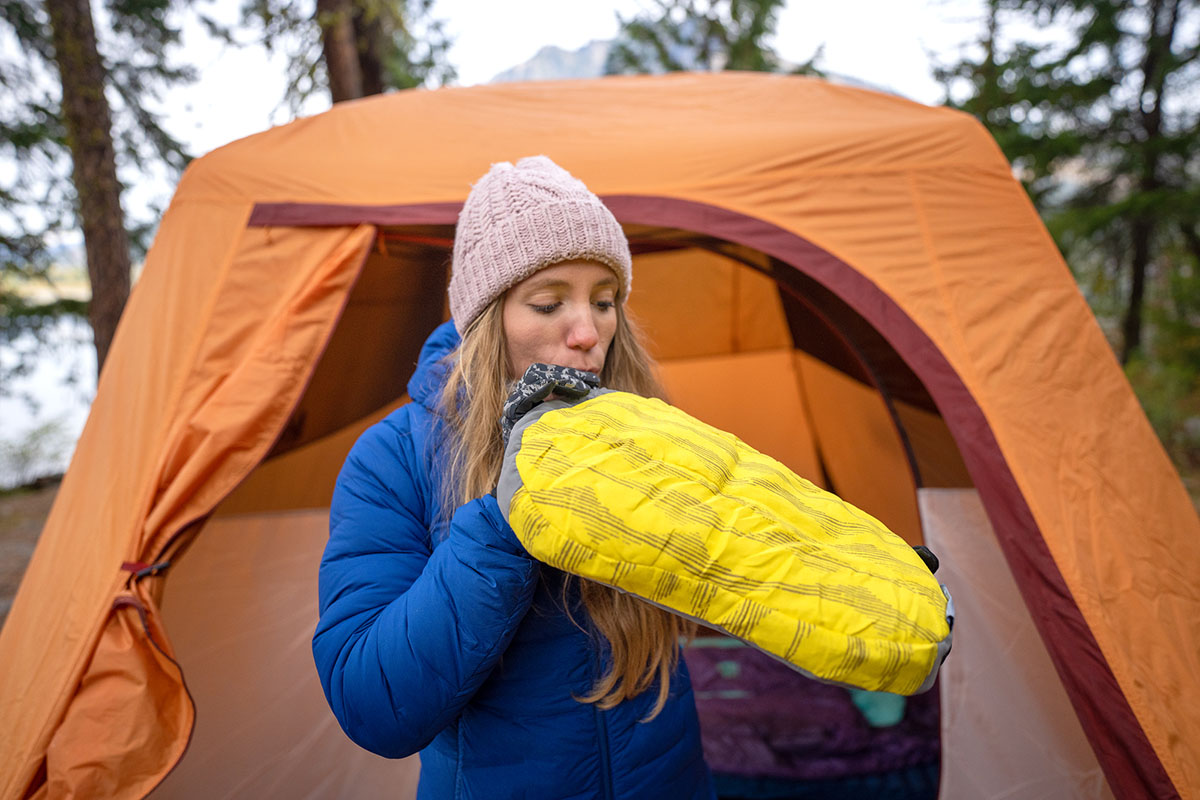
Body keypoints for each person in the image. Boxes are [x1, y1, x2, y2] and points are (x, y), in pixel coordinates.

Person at [313, 155, 716, 799]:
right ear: (487, 320)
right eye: (549, 303)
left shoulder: (642, 426)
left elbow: (722, 584)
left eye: (604, 301)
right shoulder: (392, 458)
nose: (587, 332)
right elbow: (373, 704)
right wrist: (504, 521)